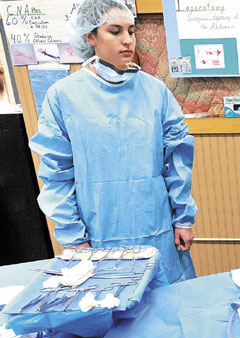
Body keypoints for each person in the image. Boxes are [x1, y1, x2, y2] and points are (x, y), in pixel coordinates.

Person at [29, 0, 198, 285]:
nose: (127, 40)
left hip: (156, 227)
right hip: (98, 233)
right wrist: (74, 238)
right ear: (90, 37)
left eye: (131, 31)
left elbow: (177, 161)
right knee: (110, 306)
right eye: (115, 31)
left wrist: (183, 218)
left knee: (165, 308)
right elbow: (57, 174)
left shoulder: (155, 91)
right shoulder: (63, 96)